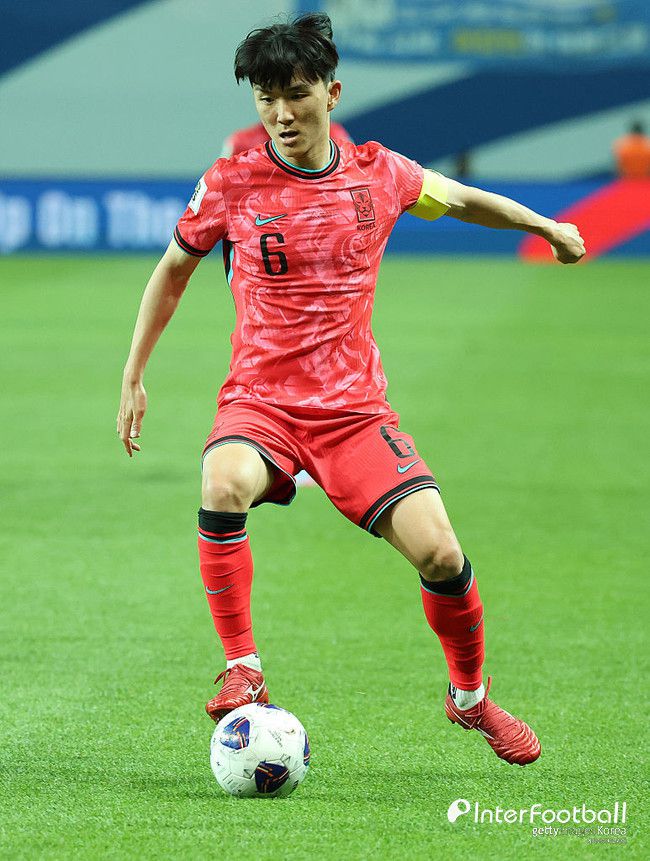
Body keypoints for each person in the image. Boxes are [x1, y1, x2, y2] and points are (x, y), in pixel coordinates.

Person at [117, 13, 585, 766]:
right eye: (266, 98)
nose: (280, 114)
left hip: (354, 413)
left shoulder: (380, 174)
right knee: (222, 479)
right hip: (261, 403)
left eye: (295, 94)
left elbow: (462, 200)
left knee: (441, 554)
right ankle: (243, 665)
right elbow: (173, 270)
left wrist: (547, 226)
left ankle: (471, 699)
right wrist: (134, 371)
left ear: (331, 94)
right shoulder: (232, 182)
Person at [222, 117, 352, 158]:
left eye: (296, 96)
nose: (283, 114)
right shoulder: (241, 142)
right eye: (269, 99)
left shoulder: (335, 134)